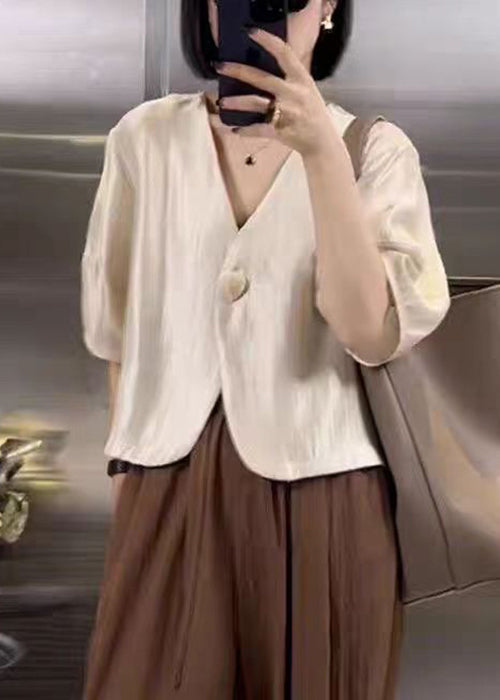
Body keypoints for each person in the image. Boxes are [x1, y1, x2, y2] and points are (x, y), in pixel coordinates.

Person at [80, 1, 451, 698]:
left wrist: (322, 155)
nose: (260, 15)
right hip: (165, 486)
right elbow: (115, 331)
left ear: (330, 7)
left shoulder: (375, 150)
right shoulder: (144, 139)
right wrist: (131, 475)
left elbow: (370, 332)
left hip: (326, 494)